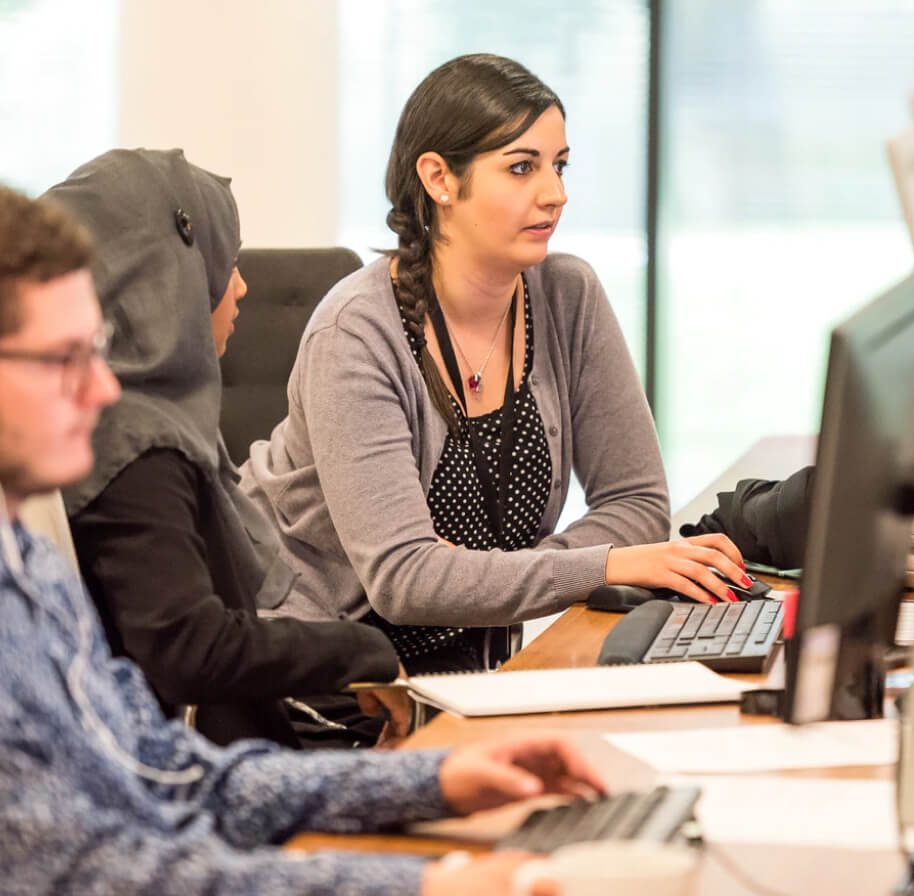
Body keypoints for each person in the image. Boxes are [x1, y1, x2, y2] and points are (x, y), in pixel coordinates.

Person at [0, 181, 605, 895]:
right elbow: (89, 871)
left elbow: (166, 769)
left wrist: (434, 780)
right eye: (62, 357)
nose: (102, 388)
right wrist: (424, 886)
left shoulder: (27, 562)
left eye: (96, 350)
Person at [242, 53, 752, 675]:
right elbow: (405, 579)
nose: (555, 194)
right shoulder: (357, 333)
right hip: (332, 679)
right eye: (521, 168)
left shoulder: (567, 295)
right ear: (439, 179)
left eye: (559, 166)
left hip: (476, 668)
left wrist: (488, 575)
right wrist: (603, 563)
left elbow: (637, 502)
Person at [47, 148, 405, 749]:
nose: (240, 285)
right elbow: (189, 649)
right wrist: (360, 650)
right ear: (165, 276)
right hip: (207, 772)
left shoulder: (134, 422)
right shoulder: (137, 447)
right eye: (225, 262)